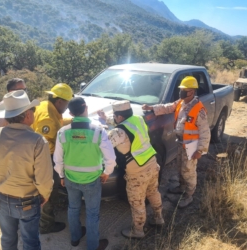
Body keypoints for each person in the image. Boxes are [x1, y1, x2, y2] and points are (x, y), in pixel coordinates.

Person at [0, 90, 53, 250]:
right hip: (27, 201)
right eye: (33, 110)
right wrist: (45, 194)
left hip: (2, 197)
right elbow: (44, 180)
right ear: (27, 115)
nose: (34, 113)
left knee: (8, 239)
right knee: (30, 242)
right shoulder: (38, 141)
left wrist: (2, 183)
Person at [54, 97, 116, 250]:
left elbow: (58, 159)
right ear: (86, 108)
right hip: (92, 180)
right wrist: (107, 172)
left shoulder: (63, 132)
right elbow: (111, 158)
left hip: (70, 178)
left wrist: (61, 175)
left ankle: (75, 239)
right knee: (92, 213)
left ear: (70, 112)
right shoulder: (98, 130)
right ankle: (93, 246)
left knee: (73, 208)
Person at [97, 100, 164, 239]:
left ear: (119, 117)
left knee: (137, 202)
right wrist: (106, 118)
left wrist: (102, 128)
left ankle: (138, 231)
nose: (114, 118)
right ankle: (158, 219)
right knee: (153, 192)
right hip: (152, 163)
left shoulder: (117, 132)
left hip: (137, 171)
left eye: (115, 115)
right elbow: (124, 124)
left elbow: (103, 145)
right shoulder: (138, 119)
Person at [142, 76, 211, 208]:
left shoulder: (198, 109)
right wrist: (152, 108)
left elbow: (205, 132)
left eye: (184, 90)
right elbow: (168, 107)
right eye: (181, 90)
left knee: (188, 170)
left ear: (191, 92)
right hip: (181, 143)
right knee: (180, 167)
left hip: (192, 146)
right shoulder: (181, 102)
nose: (181, 92)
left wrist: (200, 150)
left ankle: (189, 195)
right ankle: (181, 187)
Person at [31, 83, 73, 234]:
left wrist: (73, 121)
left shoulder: (45, 105)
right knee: (48, 190)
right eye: (67, 103)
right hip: (45, 158)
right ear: (60, 101)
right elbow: (53, 141)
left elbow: (59, 121)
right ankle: (46, 225)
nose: (67, 107)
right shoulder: (48, 120)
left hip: (42, 156)